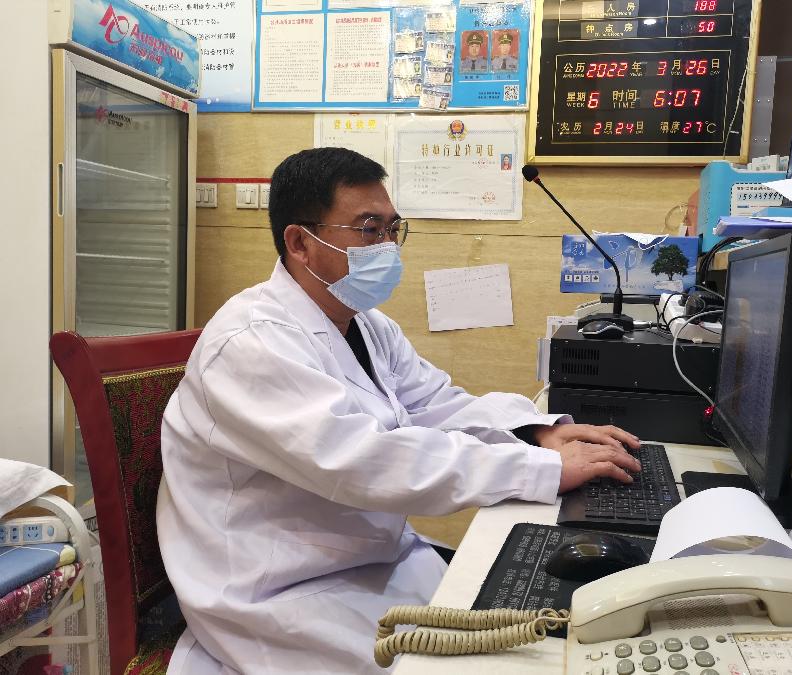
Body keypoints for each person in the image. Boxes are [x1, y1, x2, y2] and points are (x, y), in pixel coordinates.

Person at [157, 147, 642, 674]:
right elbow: (362, 461)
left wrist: (535, 433)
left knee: (531, 636)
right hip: (278, 587)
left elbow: (437, 404)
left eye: (392, 229)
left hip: (367, 557)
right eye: (369, 230)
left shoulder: (366, 323)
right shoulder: (252, 343)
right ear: (300, 242)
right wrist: (539, 470)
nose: (387, 247)